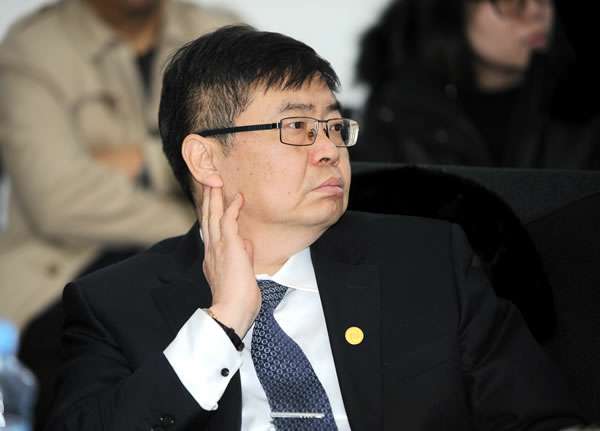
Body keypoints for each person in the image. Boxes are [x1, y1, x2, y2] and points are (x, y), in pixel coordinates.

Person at [46, 25, 584, 430]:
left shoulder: (426, 262)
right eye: (298, 126)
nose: (329, 149)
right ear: (206, 159)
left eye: (332, 125)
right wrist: (222, 325)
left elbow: (543, 419)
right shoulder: (114, 305)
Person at [0, 1, 237, 428]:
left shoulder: (220, 32)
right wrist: (193, 195)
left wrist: (140, 160)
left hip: (204, 256)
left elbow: (248, 164)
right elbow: (59, 201)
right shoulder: (33, 47)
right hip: (62, 272)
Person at [353, 0, 600, 168]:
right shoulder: (393, 116)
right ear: (452, 11)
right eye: (511, 3)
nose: (537, 11)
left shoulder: (582, 108)